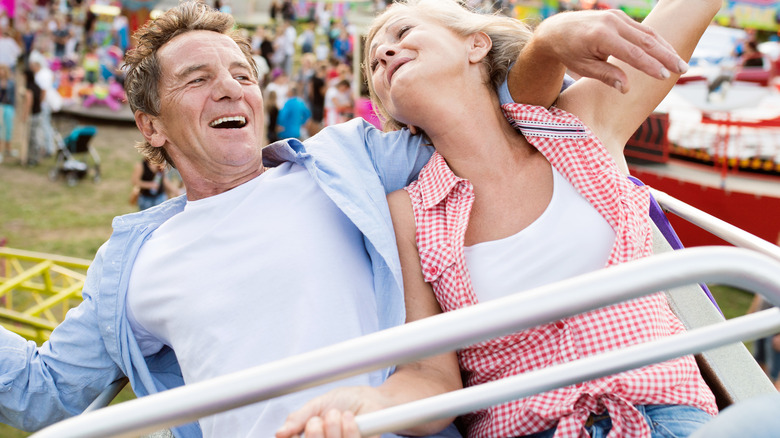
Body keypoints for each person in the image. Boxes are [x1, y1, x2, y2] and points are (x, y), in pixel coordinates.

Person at [0, 2, 688, 437]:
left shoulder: (352, 163)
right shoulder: (131, 267)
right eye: (197, 79)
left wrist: (544, 45)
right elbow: (40, 397)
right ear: (150, 127)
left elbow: (479, 114)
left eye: (241, 72)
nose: (231, 86)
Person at [276, 1, 719, 437]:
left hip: (670, 415)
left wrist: (554, 33)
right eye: (374, 62)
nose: (385, 53)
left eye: (403, 33)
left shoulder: (580, 124)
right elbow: (431, 375)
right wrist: (372, 404)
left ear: (476, 45)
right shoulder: (409, 212)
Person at [0, 63, 15, 162]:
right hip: (0, 106)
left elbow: (14, 97)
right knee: (1, 128)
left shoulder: (11, 82)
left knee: (8, 128)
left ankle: (8, 148)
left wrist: (14, 107)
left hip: (9, 106)